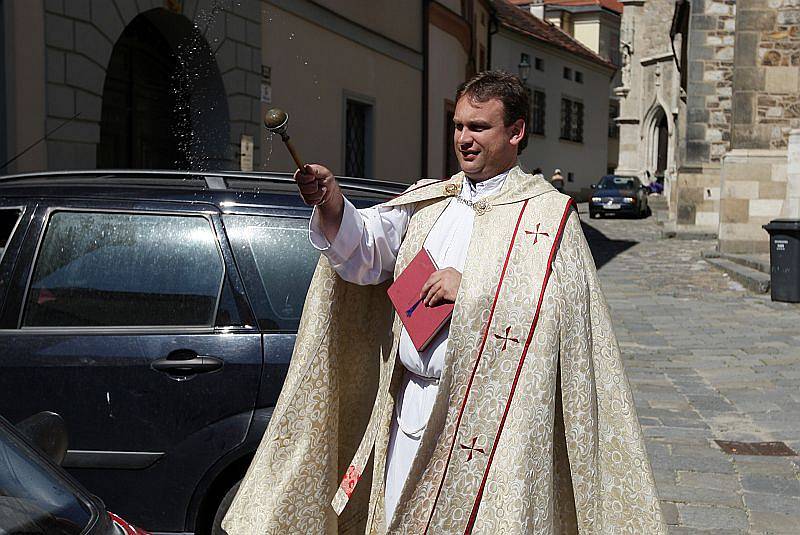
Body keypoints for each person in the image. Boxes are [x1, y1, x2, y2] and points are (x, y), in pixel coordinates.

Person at [223, 71, 666, 534]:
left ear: (516, 133)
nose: (464, 139)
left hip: (498, 427)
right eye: (458, 126)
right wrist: (334, 204)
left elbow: (565, 317)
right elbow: (367, 255)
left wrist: (473, 286)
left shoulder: (548, 215)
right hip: (413, 409)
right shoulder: (433, 202)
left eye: (479, 127)